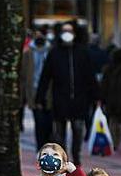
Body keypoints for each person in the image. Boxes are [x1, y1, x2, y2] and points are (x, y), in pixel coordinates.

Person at [36, 22, 98, 167]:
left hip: (79, 100)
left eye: (69, 31)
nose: (67, 34)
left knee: (78, 130)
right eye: (64, 31)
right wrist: (40, 97)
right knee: (59, 133)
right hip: (60, 100)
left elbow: (90, 75)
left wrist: (97, 96)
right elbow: (45, 77)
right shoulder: (54, 53)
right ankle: (63, 158)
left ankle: (76, 157)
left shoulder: (82, 52)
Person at [21, 31, 52, 150]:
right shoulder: (28, 53)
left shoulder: (50, 52)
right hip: (33, 92)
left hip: (49, 93)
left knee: (48, 122)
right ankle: (40, 147)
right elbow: (23, 76)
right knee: (39, 122)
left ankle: (49, 145)